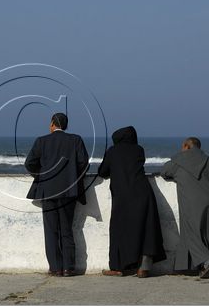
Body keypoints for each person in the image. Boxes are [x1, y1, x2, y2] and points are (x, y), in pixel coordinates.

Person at [25, 112, 89, 277]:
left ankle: (55, 267)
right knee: (67, 229)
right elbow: (83, 164)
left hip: (48, 191)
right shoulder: (76, 140)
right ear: (65, 125)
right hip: (69, 191)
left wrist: (43, 176)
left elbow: (29, 163)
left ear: (53, 124)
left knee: (51, 230)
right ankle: (69, 267)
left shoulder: (42, 141)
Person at [98, 126, 166, 278]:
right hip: (143, 192)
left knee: (119, 231)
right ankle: (143, 268)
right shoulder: (139, 150)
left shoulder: (112, 151)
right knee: (146, 229)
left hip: (123, 196)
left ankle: (118, 267)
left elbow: (102, 172)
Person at [160, 137, 209, 278]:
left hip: (189, 202)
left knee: (191, 233)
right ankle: (188, 267)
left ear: (186, 146)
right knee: (206, 233)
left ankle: (207, 262)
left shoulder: (178, 162)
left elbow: (164, 172)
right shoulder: (208, 161)